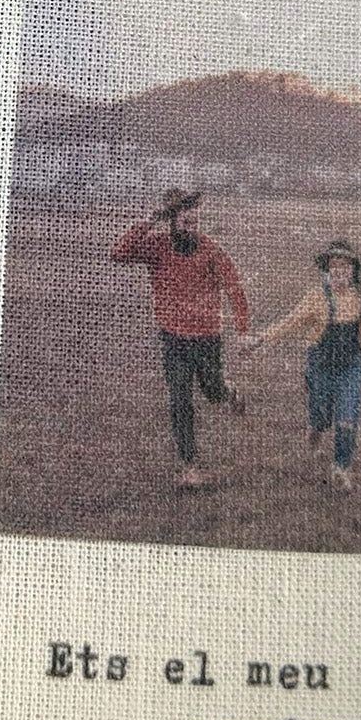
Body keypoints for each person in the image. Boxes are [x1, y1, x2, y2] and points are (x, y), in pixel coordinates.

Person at [110, 189, 252, 493]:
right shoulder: (157, 246)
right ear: (172, 218)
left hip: (207, 338)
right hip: (173, 339)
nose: (191, 216)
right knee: (180, 400)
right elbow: (119, 253)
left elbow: (234, 289)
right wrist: (150, 221)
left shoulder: (211, 250)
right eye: (184, 211)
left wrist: (242, 331)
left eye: (194, 211)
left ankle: (228, 391)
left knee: (212, 391)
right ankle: (190, 467)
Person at [252, 239, 361, 490]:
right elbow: (289, 322)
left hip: (351, 366)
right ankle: (315, 431)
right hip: (320, 366)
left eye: (345, 265)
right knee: (321, 414)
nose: (339, 271)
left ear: (354, 269)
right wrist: (259, 339)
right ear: (327, 269)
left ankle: (341, 468)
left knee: (347, 417)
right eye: (334, 266)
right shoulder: (316, 298)